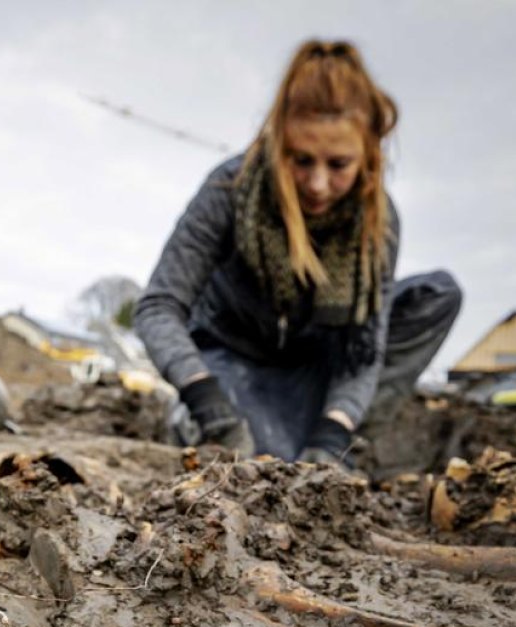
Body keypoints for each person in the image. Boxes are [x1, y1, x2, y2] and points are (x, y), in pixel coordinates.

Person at [135, 39, 462, 465]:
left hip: (314, 363)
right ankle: (205, 421)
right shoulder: (229, 190)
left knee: (438, 294)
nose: (318, 184)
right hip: (232, 360)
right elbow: (159, 306)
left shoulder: (380, 223)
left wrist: (332, 432)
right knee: (259, 467)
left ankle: (343, 441)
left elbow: (364, 353)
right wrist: (205, 397)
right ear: (278, 141)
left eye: (339, 164)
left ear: (368, 155)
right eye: (301, 160)